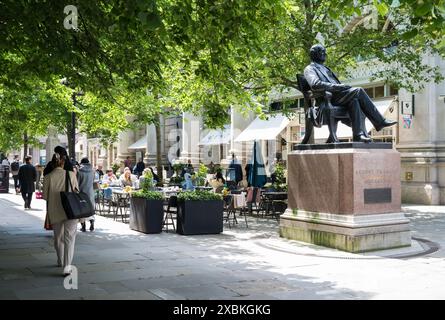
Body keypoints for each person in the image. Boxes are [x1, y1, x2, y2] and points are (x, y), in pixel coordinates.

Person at [304, 44, 397, 143]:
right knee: (358, 91)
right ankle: (380, 121)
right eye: (321, 51)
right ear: (314, 54)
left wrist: (341, 88)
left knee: (355, 100)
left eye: (324, 51)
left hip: (338, 97)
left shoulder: (326, 68)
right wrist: (339, 87)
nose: (325, 54)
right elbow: (315, 84)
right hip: (327, 99)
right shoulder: (310, 69)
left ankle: (358, 135)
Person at [43, 150, 79, 276]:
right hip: (71, 210)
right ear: (63, 163)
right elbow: (76, 191)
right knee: (70, 238)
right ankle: (67, 267)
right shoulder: (71, 174)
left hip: (55, 210)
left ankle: (60, 259)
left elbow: (45, 197)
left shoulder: (48, 177)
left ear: (52, 164)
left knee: (58, 237)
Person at [77, 158, 95, 232]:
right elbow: (93, 181)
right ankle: (92, 223)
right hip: (90, 192)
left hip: (82, 193)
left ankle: (83, 226)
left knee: (82, 210)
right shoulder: (92, 171)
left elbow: (77, 183)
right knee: (90, 208)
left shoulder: (79, 171)